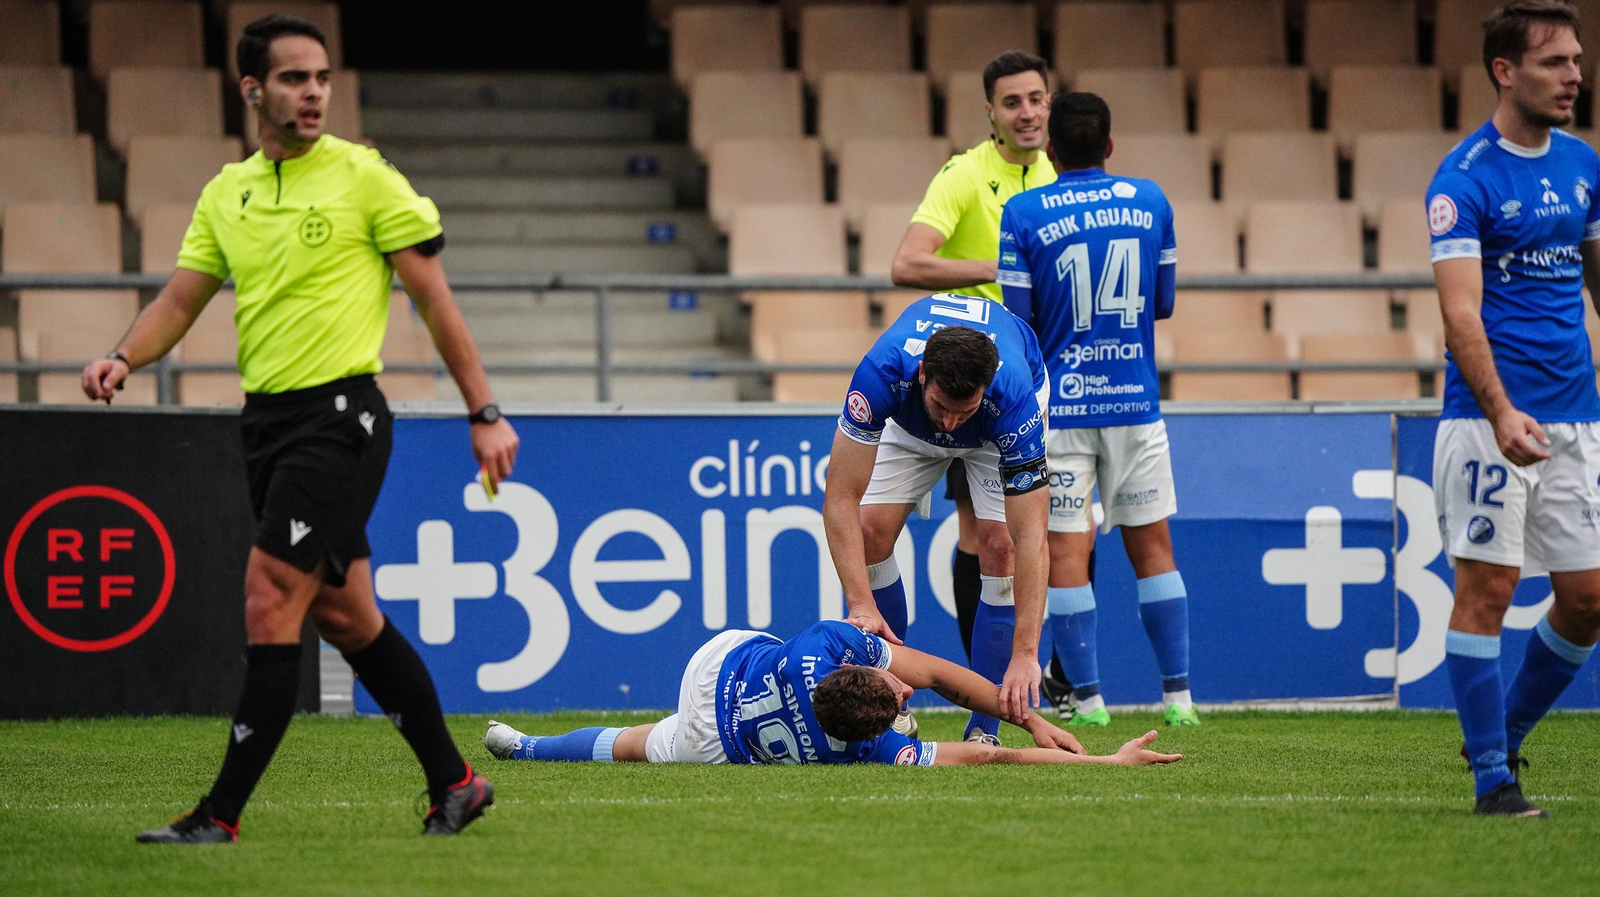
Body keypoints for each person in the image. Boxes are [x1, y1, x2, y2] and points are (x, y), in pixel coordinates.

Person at [81, 15, 519, 841]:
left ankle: (219, 816)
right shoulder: (227, 193)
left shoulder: (364, 177)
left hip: (342, 417)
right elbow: (180, 300)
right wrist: (122, 355)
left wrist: (484, 411)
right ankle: (456, 782)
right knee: (348, 618)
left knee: (268, 593)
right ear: (253, 90)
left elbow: (435, 299)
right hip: (269, 423)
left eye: (320, 77)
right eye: (292, 78)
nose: (313, 91)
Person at [1427, 0, 1600, 818]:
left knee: (1589, 596)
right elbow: (1461, 313)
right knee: (1489, 589)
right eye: (1555, 62)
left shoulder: (1583, 164)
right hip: (1487, 417)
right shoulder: (1463, 178)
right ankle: (1493, 779)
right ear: (1505, 70)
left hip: (1577, 414)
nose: (1574, 74)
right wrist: (1499, 411)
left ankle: (1499, 727)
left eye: (1575, 60)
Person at [997, 92, 1198, 729]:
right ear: (1110, 146)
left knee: (1064, 553)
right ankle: (1180, 700)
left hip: (1062, 409)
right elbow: (1161, 303)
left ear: (1050, 151)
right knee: (1154, 548)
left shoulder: (1023, 211)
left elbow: (1018, 321)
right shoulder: (1152, 202)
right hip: (1136, 403)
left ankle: (1089, 703)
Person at [890, 51, 1058, 678]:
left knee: (1060, 530)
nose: (1027, 113)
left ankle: (1060, 676)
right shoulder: (964, 175)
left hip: (1042, 380)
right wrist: (997, 269)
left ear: (1051, 104)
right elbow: (907, 263)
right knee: (987, 540)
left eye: (1036, 99)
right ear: (990, 110)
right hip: (973, 384)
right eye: (1012, 102)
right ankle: (984, 683)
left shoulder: (1061, 179)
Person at [481, 620, 1181, 769]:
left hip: (718, 672)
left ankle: (527, 745)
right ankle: (527, 745)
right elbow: (989, 759)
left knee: (630, 744)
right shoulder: (867, 750)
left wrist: (1021, 716)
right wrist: (1105, 762)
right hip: (721, 746)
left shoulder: (822, 646)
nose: (906, 684)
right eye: (900, 696)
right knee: (636, 748)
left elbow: (923, 671)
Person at [820, 295, 1051, 745]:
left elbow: (1032, 539)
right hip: (907, 424)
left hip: (993, 429)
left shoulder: (1014, 398)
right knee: (869, 533)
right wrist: (859, 603)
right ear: (923, 374)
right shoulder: (881, 374)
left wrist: (1026, 653)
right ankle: (892, 704)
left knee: (1001, 545)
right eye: (942, 406)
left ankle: (984, 729)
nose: (949, 424)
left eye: (961, 411)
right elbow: (840, 497)